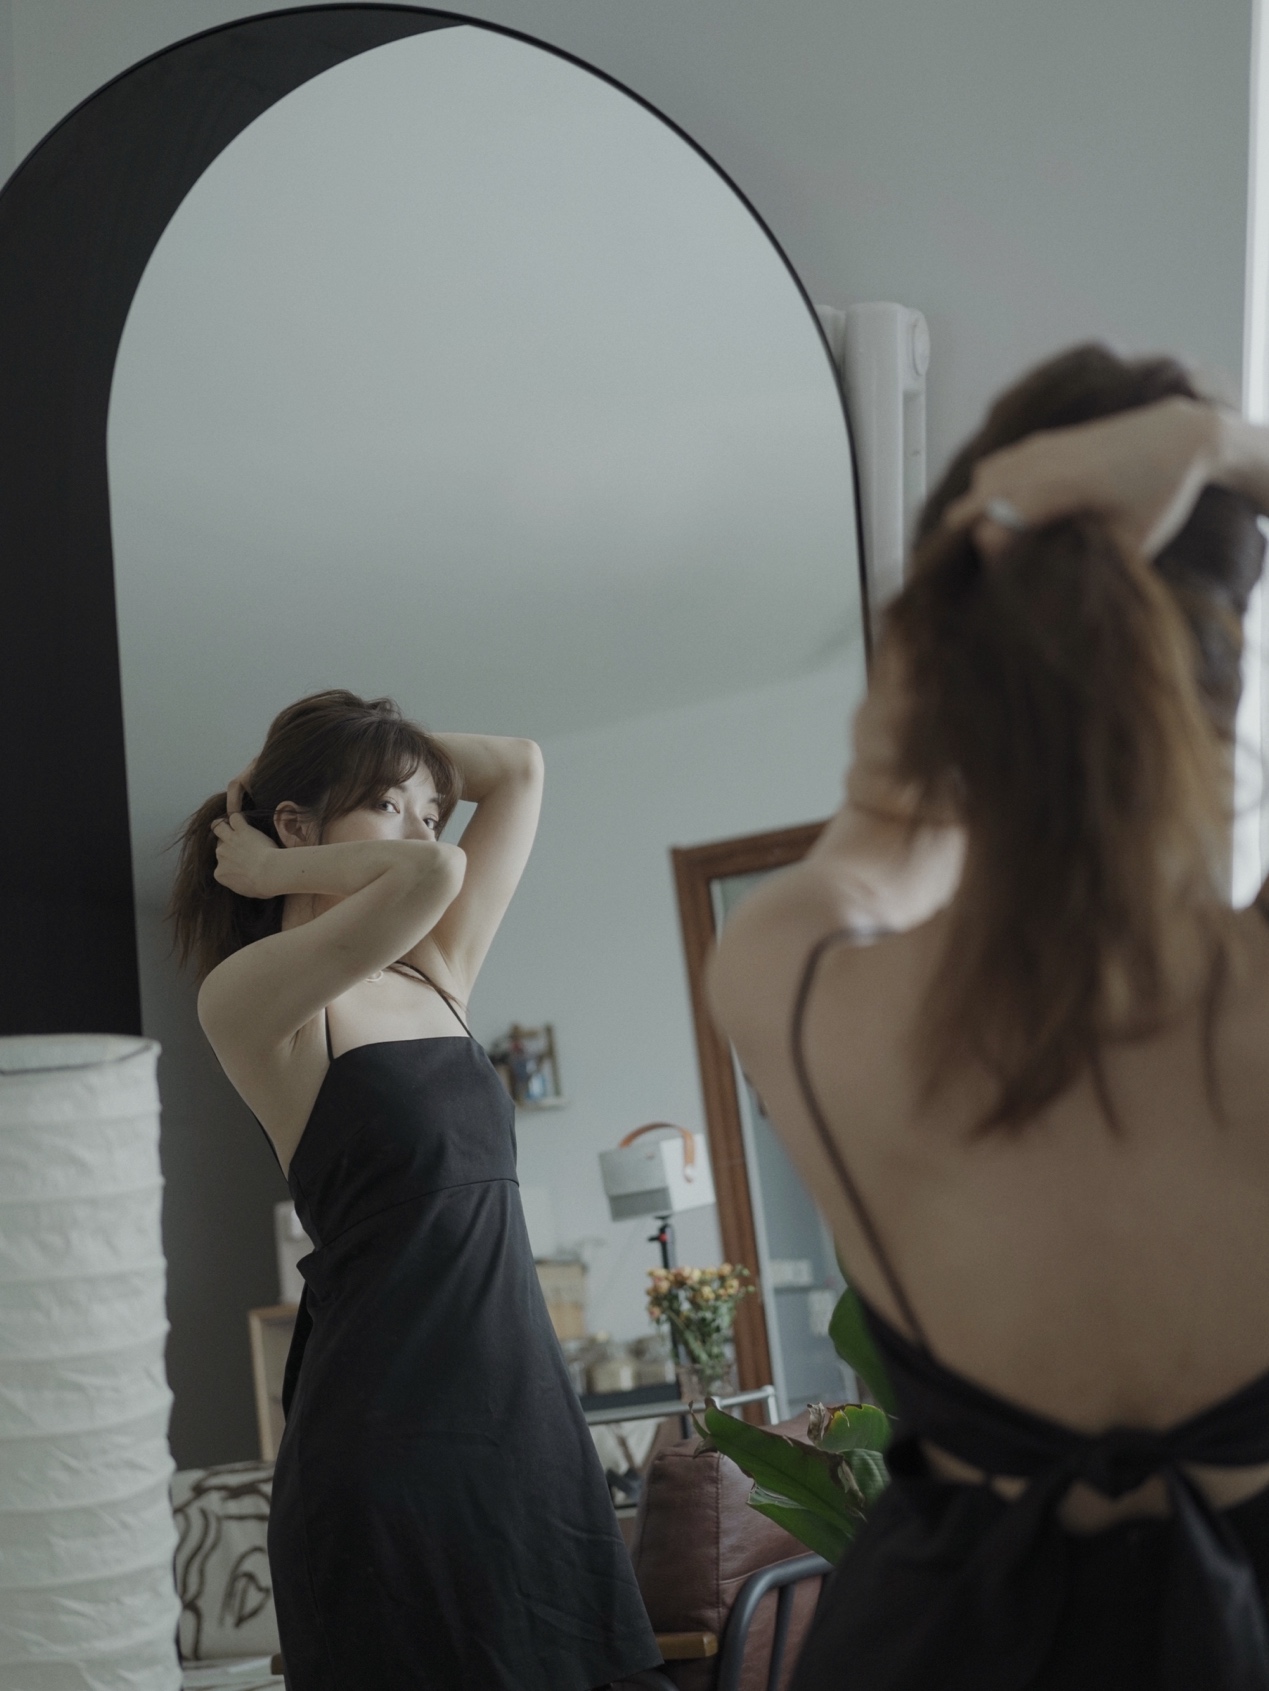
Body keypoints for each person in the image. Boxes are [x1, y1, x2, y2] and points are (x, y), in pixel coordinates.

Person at [708, 346, 1269, 1690]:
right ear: (1232, 649)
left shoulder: (793, 981)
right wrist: (1226, 446)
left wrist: (918, 711)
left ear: (940, 659)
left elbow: (881, 830)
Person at [169, 689, 659, 1691]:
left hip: (525, 1427)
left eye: (433, 810)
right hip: (386, 1445)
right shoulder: (250, 997)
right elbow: (433, 872)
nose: (425, 831)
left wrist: (366, 762)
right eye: (390, 805)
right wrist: (275, 862)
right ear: (296, 825)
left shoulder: (436, 973)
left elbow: (518, 765)